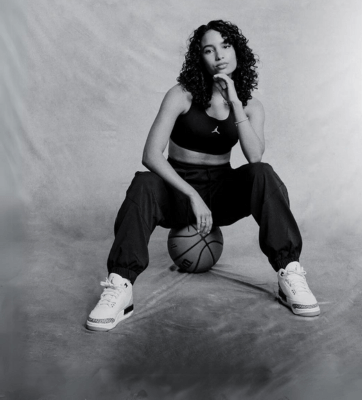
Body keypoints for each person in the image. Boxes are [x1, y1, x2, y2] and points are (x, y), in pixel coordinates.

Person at [86, 20, 320, 332]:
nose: (219, 55)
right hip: (178, 192)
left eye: (225, 45)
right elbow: (151, 155)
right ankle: (120, 286)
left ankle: (289, 271)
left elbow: (254, 156)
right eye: (209, 50)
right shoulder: (181, 95)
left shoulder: (251, 106)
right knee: (143, 182)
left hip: (222, 192)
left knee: (263, 174)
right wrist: (192, 196)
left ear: (237, 51)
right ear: (201, 59)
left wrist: (235, 101)